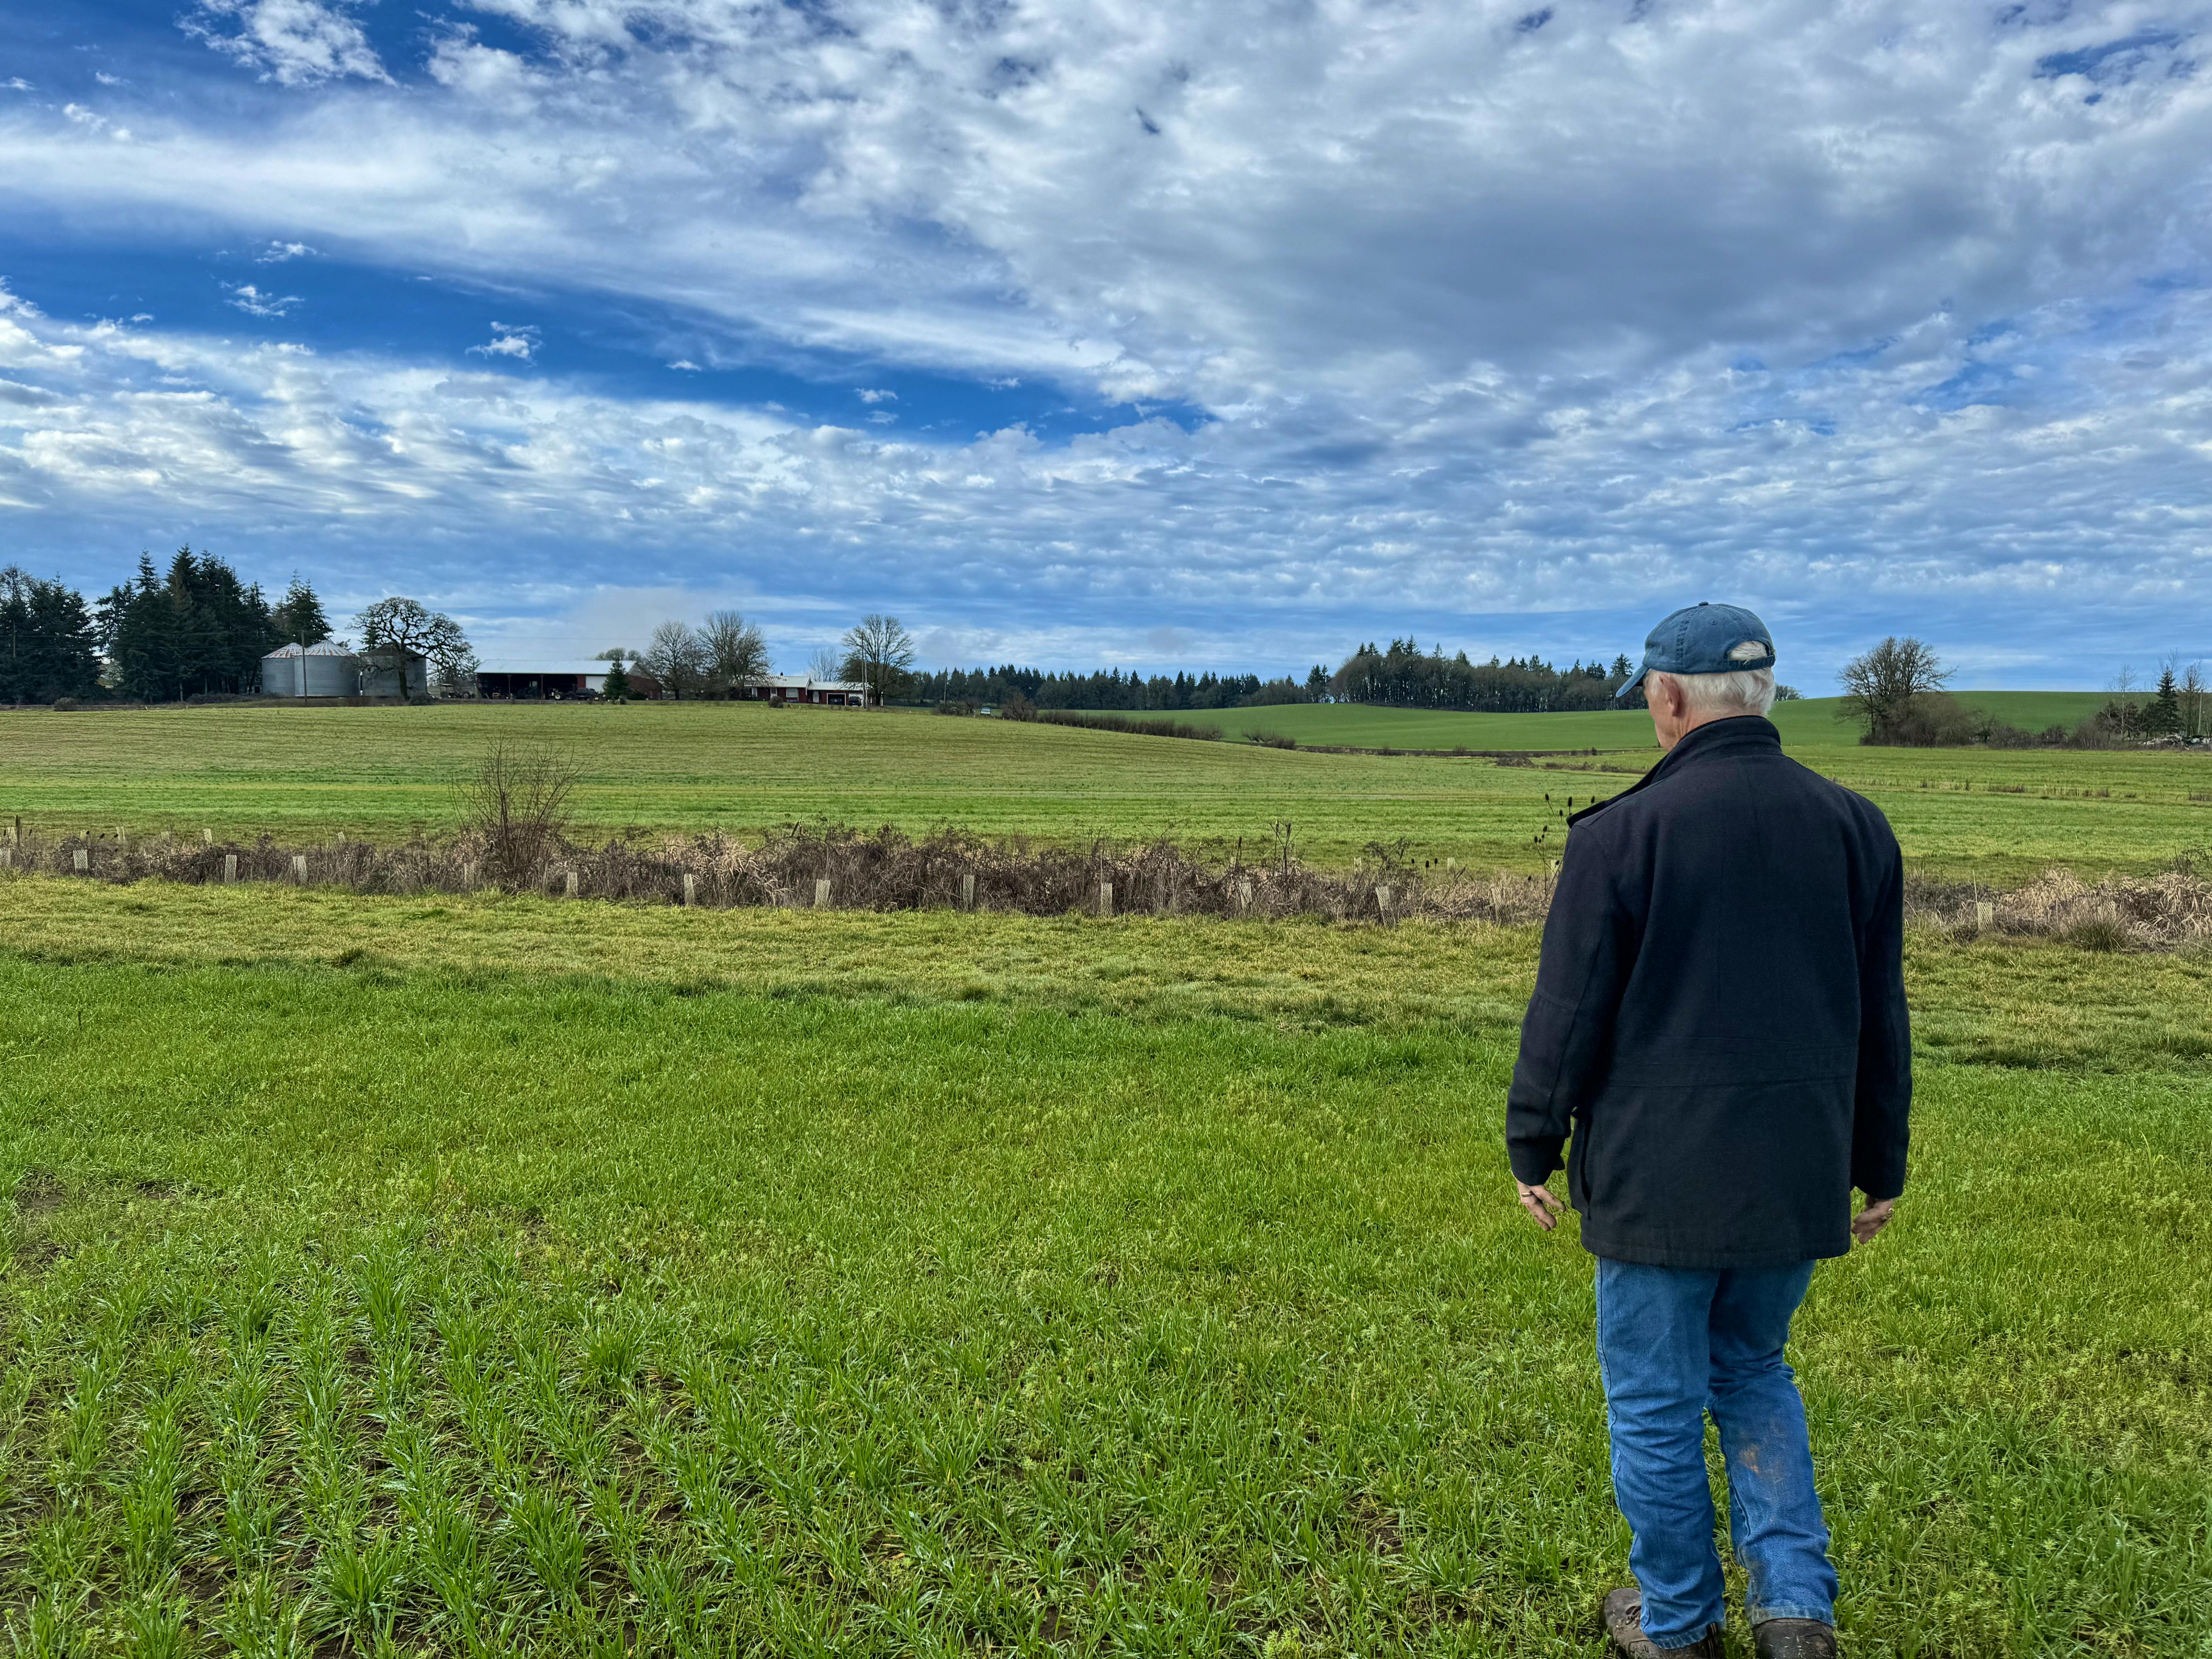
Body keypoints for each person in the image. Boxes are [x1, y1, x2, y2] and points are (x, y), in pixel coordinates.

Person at [1505, 602, 1911, 1659]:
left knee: (1653, 1402)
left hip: (1655, 1185)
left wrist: (1532, 1141)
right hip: (1795, 1174)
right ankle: (1795, 1616)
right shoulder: (1858, 827)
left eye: (1649, 693)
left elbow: (1568, 1011)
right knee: (1754, 1372)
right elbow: (1881, 1014)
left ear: (1671, 699)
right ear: (1763, 694)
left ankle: (1678, 1625)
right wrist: (1878, 1165)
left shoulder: (1620, 834)